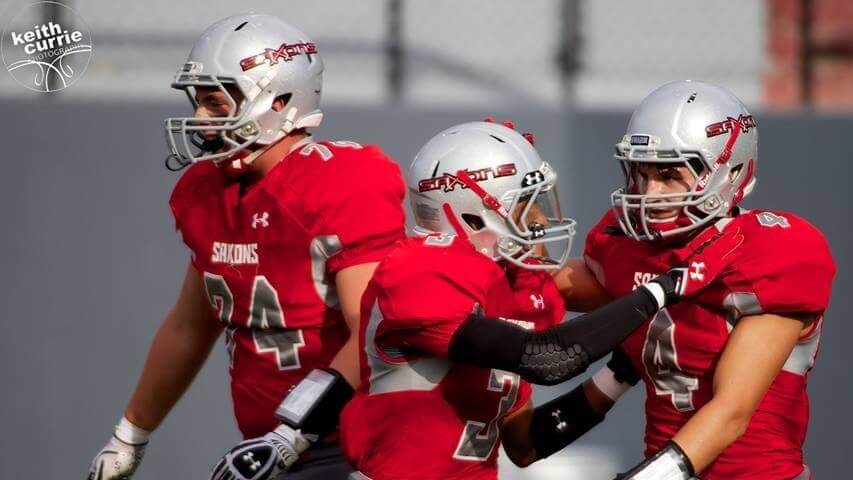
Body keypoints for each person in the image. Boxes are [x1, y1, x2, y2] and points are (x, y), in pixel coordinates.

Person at [209, 120, 688, 480]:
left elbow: (523, 444)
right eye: (527, 204)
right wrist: (664, 289)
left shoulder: (512, 290)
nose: (542, 218)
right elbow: (551, 359)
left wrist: (619, 377)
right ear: (472, 216)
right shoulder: (422, 270)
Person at [86, 13, 406, 480]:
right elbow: (189, 328)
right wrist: (129, 436)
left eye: (216, 104)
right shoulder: (208, 193)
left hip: (358, 447)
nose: (200, 118)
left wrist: (291, 435)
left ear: (277, 100)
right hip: (278, 445)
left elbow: (374, 333)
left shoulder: (337, 184)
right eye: (199, 103)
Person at [548, 80, 837, 479]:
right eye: (642, 173)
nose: (650, 193)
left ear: (729, 170)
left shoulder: (769, 254)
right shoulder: (630, 249)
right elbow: (545, 290)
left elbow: (731, 413)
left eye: (669, 175)